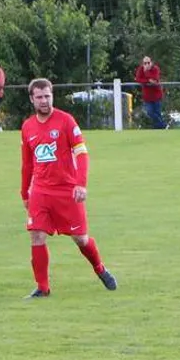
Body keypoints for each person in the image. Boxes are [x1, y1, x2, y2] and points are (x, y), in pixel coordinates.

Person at [20, 79, 117, 298]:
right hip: (40, 191)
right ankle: (43, 288)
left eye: (47, 96)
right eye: (39, 97)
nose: (44, 101)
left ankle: (100, 268)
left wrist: (80, 183)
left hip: (67, 191)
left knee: (81, 239)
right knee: (36, 236)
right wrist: (24, 191)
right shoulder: (27, 127)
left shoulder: (66, 121)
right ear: (32, 99)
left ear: (52, 96)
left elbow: (82, 153)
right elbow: (26, 163)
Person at [134, 57, 165, 129]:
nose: (147, 64)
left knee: (158, 112)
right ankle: (163, 125)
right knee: (150, 112)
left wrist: (146, 73)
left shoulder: (155, 68)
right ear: (142, 63)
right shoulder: (141, 69)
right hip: (147, 96)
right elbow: (138, 79)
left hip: (157, 94)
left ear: (151, 62)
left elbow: (155, 78)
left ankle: (158, 128)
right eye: (145, 63)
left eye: (148, 63)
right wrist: (148, 80)